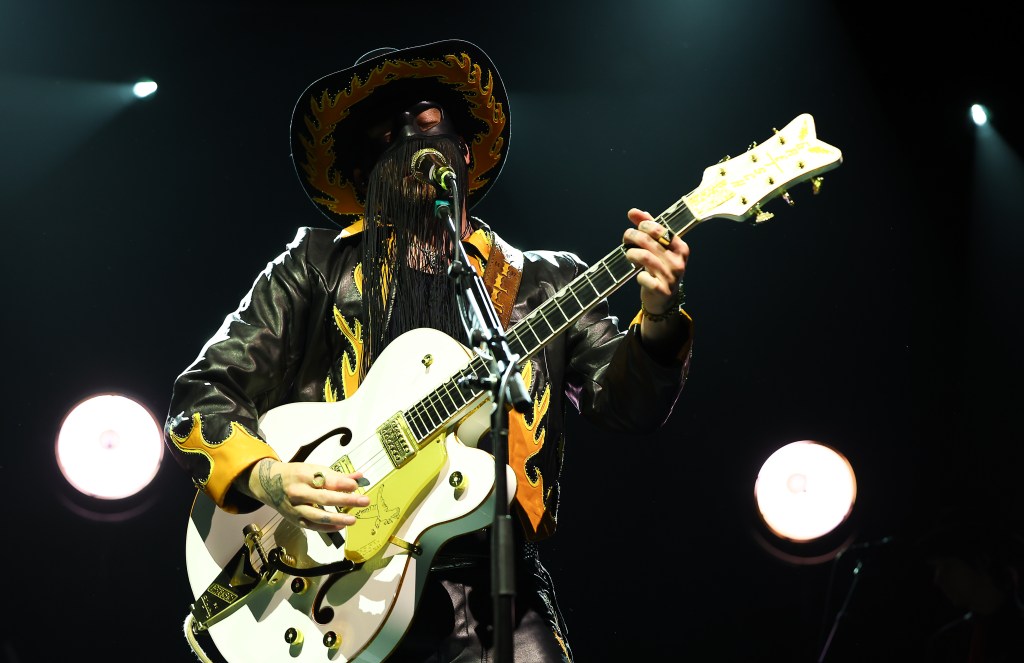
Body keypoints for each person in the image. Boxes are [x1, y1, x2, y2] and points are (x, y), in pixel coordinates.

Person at [164, 39, 692, 662]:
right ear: (363, 174)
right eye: (387, 136)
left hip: (492, 585)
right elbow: (201, 396)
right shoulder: (313, 267)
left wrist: (658, 318)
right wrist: (271, 477)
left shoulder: (543, 285)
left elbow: (627, 404)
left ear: (465, 154)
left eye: (429, 122)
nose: (412, 141)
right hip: (335, 582)